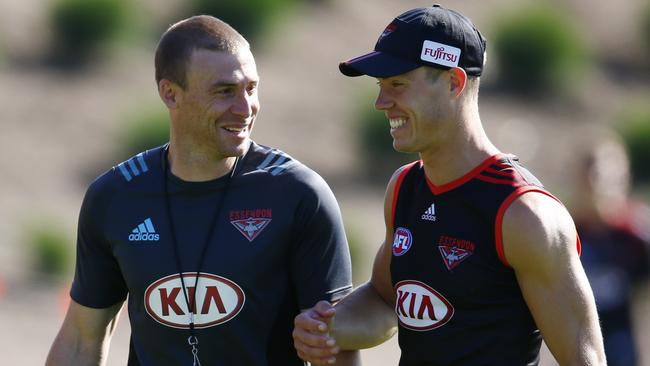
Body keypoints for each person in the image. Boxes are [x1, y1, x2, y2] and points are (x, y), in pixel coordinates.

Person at [293, 5, 607, 365]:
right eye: (381, 86)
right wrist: (326, 327)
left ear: (454, 82)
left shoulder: (525, 215)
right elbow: (384, 301)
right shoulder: (405, 187)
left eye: (397, 84)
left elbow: (587, 361)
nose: (381, 102)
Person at [46, 15, 357, 366]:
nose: (245, 108)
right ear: (170, 94)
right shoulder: (114, 197)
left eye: (251, 88)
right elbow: (79, 341)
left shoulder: (298, 194)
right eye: (225, 91)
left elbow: (337, 345)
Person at [568, 130, 650, 366]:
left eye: (603, 175)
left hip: (626, 351)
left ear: (624, 177)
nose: (596, 184)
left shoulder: (637, 234)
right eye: (588, 175)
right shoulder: (567, 233)